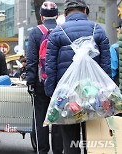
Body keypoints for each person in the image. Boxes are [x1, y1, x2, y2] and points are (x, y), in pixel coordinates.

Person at [45, 0, 111, 154]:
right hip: (93, 94)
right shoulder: (98, 30)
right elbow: (106, 66)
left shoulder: (57, 33)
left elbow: (50, 67)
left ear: (66, 14)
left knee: (70, 139)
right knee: (94, 137)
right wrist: (107, 93)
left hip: (68, 95)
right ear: (85, 11)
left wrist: (51, 93)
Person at [26, 1, 64, 154]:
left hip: (41, 82)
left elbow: (32, 59)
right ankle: (58, 150)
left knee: (41, 118)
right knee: (57, 118)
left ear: (41, 16)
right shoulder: (63, 30)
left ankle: (42, 150)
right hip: (59, 83)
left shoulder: (36, 32)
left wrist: (30, 80)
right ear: (57, 16)